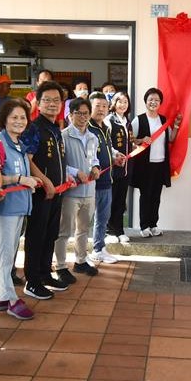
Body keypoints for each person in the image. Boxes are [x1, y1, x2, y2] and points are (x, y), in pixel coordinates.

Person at [22, 80, 72, 300]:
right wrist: (45, 181)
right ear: (38, 103)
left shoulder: (55, 128)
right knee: (36, 236)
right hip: (41, 193)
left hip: (57, 192)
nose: (52, 104)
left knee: (50, 234)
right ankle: (32, 281)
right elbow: (27, 159)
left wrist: (64, 177)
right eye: (47, 100)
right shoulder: (34, 128)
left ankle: (44, 274)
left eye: (56, 100)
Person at [0, 99, 39, 320]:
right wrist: (20, 179)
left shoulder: (18, 143)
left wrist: (28, 181)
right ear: (4, 119)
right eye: (14, 117)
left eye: (23, 117)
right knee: (5, 255)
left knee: (3, 252)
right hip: (4, 208)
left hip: (19, 205)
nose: (19, 121)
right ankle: (10, 299)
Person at [55, 98, 102, 280]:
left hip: (89, 191)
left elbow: (93, 158)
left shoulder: (93, 137)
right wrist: (76, 172)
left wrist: (95, 167)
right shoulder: (63, 136)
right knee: (64, 231)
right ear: (70, 115)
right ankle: (60, 266)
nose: (83, 117)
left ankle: (81, 261)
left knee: (83, 229)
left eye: (86, 113)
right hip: (70, 193)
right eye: (79, 113)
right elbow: (59, 164)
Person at [130, 88, 181, 237]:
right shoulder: (138, 120)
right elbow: (130, 140)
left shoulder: (163, 120)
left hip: (160, 164)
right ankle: (144, 226)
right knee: (145, 195)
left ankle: (153, 225)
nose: (153, 102)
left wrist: (176, 125)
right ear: (145, 102)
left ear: (160, 103)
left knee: (156, 196)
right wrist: (141, 140)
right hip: (145, 165)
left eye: (157, 100)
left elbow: (171, 139)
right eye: (150, 99)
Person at [87, 92, 125, 264]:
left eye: (104, 106)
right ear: (90, 107)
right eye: (97, 106)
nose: (101, 109)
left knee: (102, 218)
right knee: (84, 222)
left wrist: (116, 156)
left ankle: (99, 249)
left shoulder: (106, 128)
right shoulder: (87, 128)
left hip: (107, 181)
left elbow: (108, 149)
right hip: (91, 182)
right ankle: (83, 255)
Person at [105, 91, 133, 244]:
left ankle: (119, 230)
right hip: (113, 168)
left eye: (125, 102)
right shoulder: (109, 120)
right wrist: (115, 154)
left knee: (121, 201)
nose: (123, 104)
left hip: (126, 168)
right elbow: (107, 143)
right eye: (120, 101)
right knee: (112, 199)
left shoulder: (127, 121)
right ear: (114, 104)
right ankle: (109, 231)